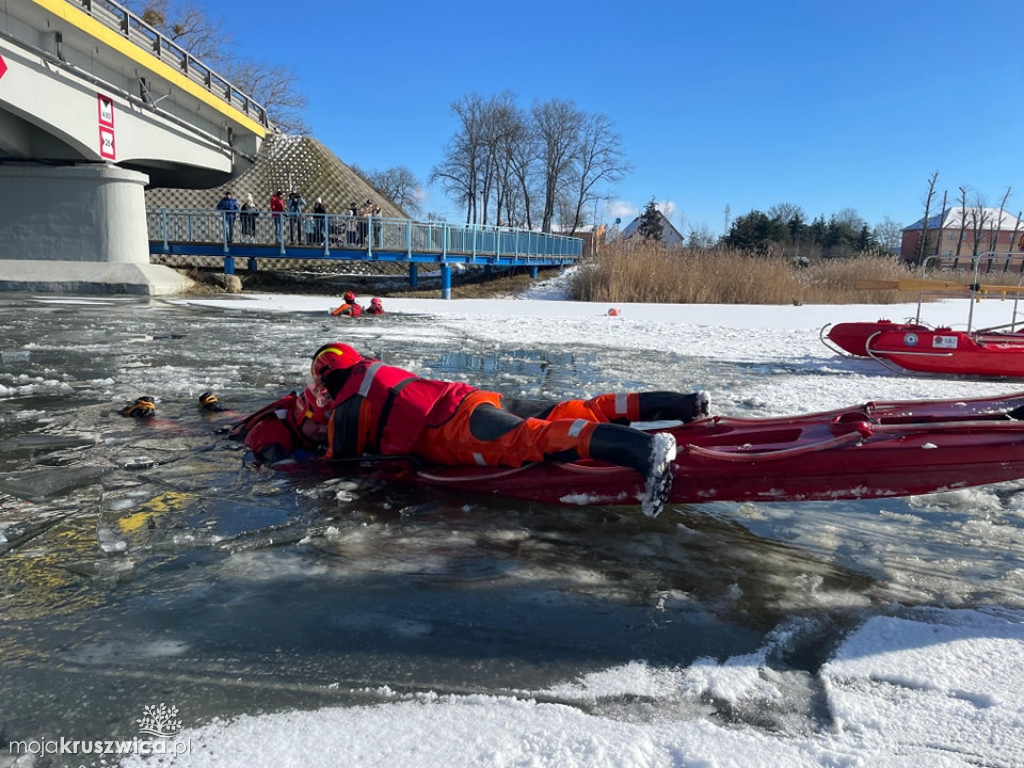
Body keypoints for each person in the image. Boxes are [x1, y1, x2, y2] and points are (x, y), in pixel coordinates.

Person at [232, 343, 712, 517]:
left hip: (453, 428)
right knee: (576, 408)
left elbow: (349, 464)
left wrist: (313, 455)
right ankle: (683, 405)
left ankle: (646, 453)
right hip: (470, 397)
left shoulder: (346, 404)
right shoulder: (375, 372)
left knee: (536, 439)